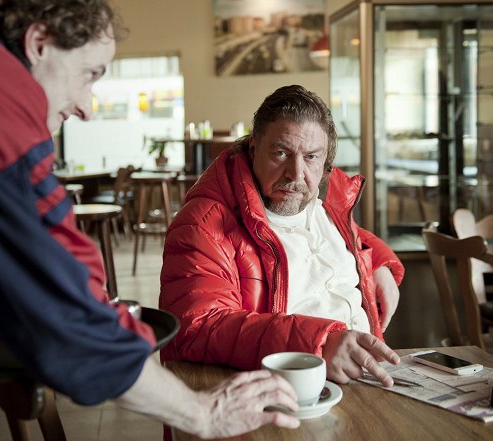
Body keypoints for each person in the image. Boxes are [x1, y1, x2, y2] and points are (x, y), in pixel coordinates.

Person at [0, 0, 302, 437]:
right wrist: (201, 413)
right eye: (90, 75)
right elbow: (64, 302)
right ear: (39, 43)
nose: (87, 108)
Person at [159, 85, 406, 387]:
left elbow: (355, 235)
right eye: (280, 153)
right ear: (253, 150)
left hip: (370, 380)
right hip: (278, 394)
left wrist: (379, 264)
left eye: (311, 157)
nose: (296, 173)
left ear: (326, 163)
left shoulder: (323, 203)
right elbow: (197, 327)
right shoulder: (202, 223)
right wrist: (318, 344)